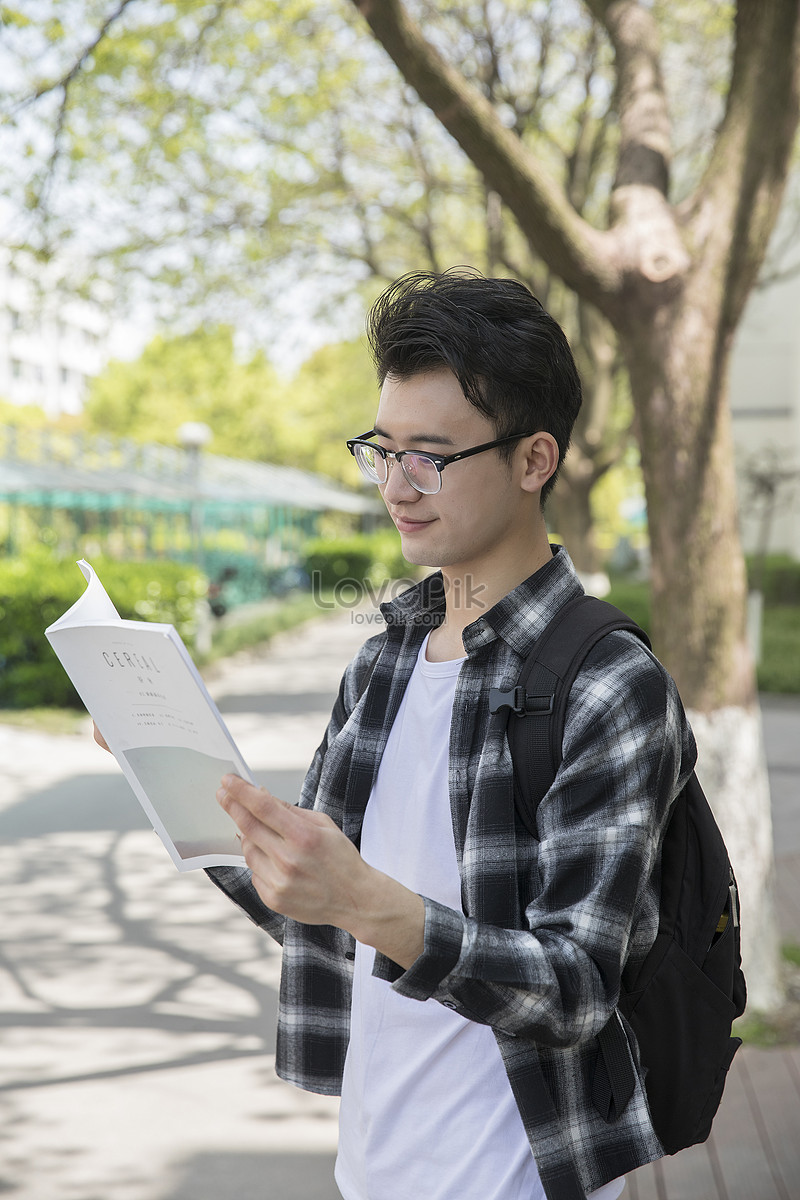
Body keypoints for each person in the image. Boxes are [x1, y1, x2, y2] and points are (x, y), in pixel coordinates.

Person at [205, 270, 696, 1200]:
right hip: (373, 1167)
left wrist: (362, 900)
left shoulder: (606, 683)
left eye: (430, 454)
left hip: (516, 1179)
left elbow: (576, 988)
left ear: (533, 460)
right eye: (382, 449)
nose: (397, 484)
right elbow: (310, 903)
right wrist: (185, 786)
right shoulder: (384, 657)